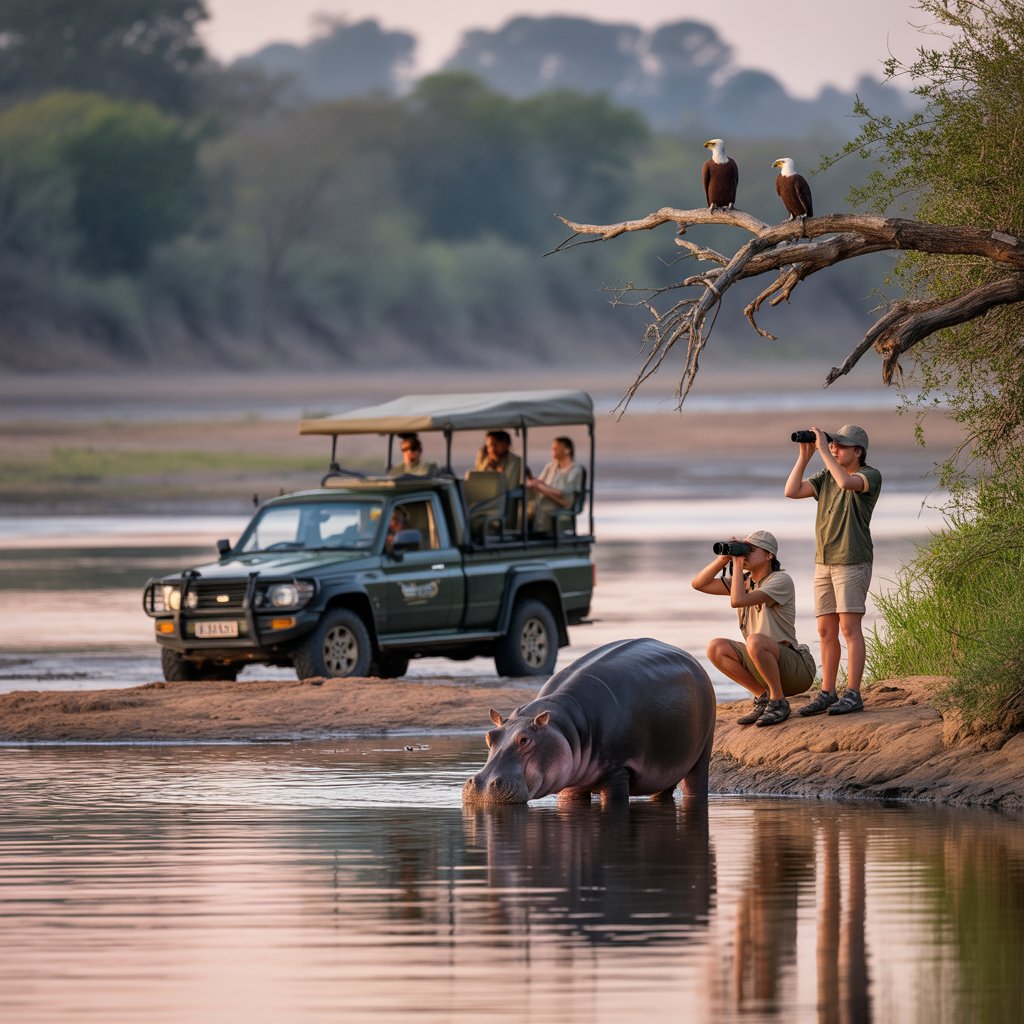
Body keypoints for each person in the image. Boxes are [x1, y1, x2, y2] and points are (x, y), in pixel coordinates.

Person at [785, 424, 882, 716]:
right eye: (834, 444)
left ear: (858, 451)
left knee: (849, 628)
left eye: (841, 446)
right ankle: (827, 692)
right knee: (825, 629)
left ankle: (853, 693)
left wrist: (824, 450)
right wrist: (805, 456)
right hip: (823, 561)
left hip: (852, 560)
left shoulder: (869, 475)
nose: (836, 449)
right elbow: (791, 491)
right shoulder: (827, 475)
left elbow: (846, 484)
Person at [691, 530, 816, 727]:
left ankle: (779, 702)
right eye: (744, 549)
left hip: (795, 669)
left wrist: (738, 563)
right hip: (761, 660)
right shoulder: (745, 582)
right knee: (715, 647)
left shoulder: (780, 580)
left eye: (750, 550)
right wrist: (724, 559)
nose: (745, 554)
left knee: (755, 640)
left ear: (769, 555)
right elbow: (699, 584)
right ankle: (763, 697)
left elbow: (737, 601)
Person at [526, 436, 583, 534]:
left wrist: (540, 487)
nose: (553, 450)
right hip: (545, 500)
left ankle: (539, 535)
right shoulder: (550, 466)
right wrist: (534, 483)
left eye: (556, 448)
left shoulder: (575, 470)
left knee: (539, 509)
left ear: (567, 450)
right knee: (523, 506)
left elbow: (562, 492)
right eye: (553, 448)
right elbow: (540, 482)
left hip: (562, 503)